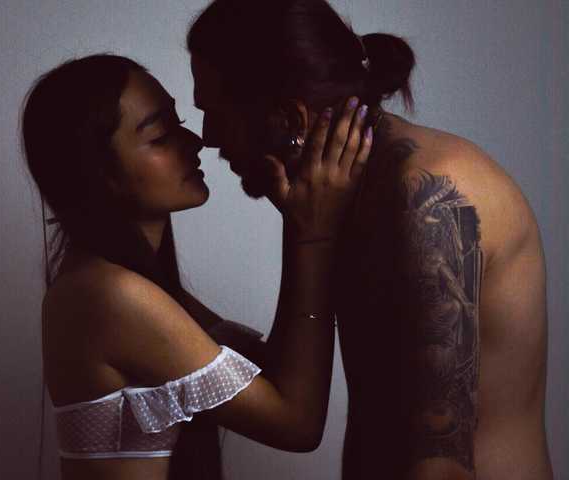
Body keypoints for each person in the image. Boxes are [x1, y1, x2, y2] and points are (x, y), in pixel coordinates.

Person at [187, 0, 554, 478]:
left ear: (292, 120)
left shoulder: (428, 199)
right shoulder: (325, 195)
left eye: (215, 112)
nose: (209, 137)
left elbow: (441, 464)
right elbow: (287, 385)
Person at [21, 54, 373, 480]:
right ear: (98, 173)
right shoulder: (110, 293)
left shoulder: (123, 284)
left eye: (180, 122)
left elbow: (273, 377)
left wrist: (298, 217)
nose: (194, 142)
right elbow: (296, 422)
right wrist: (311, 236)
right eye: (161, 136)